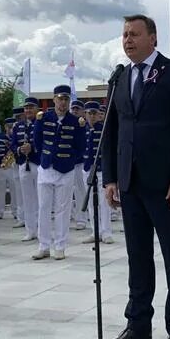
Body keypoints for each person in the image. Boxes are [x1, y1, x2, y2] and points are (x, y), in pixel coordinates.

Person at [102, 14, 170, 339]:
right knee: (137, 257)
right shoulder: (121, 78)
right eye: (124, 34)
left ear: (153, 38)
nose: (127, 40)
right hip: (130, 185)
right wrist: (110, 178)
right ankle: (138, 323)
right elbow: (112, 133)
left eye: (134, 34)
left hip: (165, 185)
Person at [33, 85, 86, 260]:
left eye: (66, 99)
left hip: (66, 169)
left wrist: (68, 159)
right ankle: (43, 245)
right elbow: (38, 141)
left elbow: (80, 147)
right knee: (43, 208)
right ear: (54, 99)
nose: (62, 103)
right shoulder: (43, 118)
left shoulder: (76, 122)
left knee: (63, 209)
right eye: (60, 99)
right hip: (46, 167)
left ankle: (60, 246)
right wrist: (46, 158)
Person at [81, 101, 114, 245]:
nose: (92, 116)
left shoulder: (104, 129)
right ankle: (95, 231)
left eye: (94, 113)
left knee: (103, 202)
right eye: (89, 113)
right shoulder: (83, 129)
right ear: (85, 114)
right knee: (90, 203)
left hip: (101, 169)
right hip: (87, 169)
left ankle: (106, 232)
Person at [13, 97, 41, 242]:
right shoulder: (18, 126)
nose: (28, 110)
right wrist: (19, 149)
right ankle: (31, 230)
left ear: (37, 109)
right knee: (27, 199)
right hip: (24, 164)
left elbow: (45, 144)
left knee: (41, 199)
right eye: (26, 108)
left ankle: (41, 229)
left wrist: (33, 148)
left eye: (31, 107)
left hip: (38, 164)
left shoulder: (41, 123)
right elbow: (12, 145)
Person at [0, 117, 19, 220]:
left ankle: (16, 211)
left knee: (14, 189)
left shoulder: (16, 138)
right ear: (5, 127)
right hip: (1, 166)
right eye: (8, 127)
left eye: (12, 127)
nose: (10, 129)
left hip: (12, 166)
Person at [69, 99, 89, 231]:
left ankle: (82, 219)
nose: (75, 111)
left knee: (81, 191)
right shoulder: (69, 124)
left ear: (82, 111)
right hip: (68, 162)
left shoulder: (85, 126)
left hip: (81, 163)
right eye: (73, 109)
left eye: (77, 109)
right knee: (70, 192)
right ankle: (75, 216)